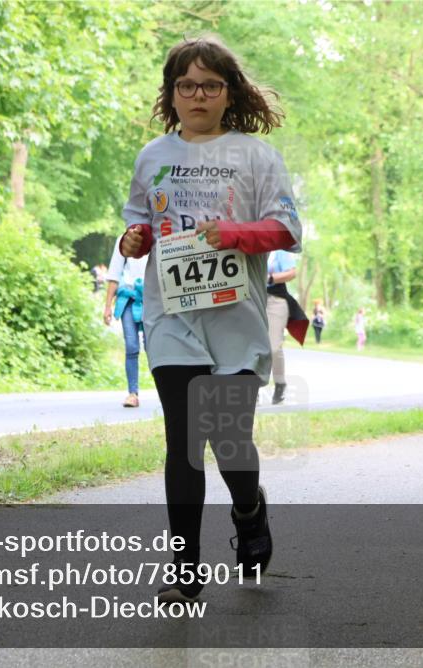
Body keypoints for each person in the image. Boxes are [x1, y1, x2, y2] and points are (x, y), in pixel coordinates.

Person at [118, 36, 301, 604]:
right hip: (172, 321)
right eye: (186, 85)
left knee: (228, 441)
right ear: (171, 94)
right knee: (184, 441)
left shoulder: (256, 156)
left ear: (229, 93)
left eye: (210, 85)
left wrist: (237, 235)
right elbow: (139, 229)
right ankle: (184, 569)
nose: (198, 95)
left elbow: (287, 231)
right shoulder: (152, 156)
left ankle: (249, 510)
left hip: (235, 321)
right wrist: (134, 239)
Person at [104, 235, 149, 407]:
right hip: (129, 297)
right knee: (131, 345)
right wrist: (108, 306)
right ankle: (132, 393)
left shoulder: (157, 235)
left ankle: (165, 392)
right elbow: (114, 274)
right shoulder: (124, 239)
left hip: (152, 299)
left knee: (153, 348)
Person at [266, 249, 304, 404]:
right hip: (252, 301)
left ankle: (280, 383)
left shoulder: (278, 250)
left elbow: (292, 273)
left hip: (275, 300)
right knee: (252, 345)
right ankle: (253, 387)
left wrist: (270, 278)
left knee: (274, 346)